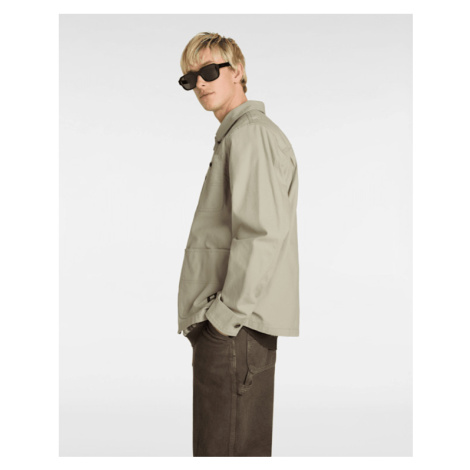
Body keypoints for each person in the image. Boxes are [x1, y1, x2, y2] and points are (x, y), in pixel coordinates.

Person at [176, 32, 300, 457]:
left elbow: (261, 233)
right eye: (190, 78)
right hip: (236, 329)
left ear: (238, 71)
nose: (200, 83)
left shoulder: (250, 135)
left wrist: (221, 320)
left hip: (235, 329)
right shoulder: (238, 136)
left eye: (210, 70)